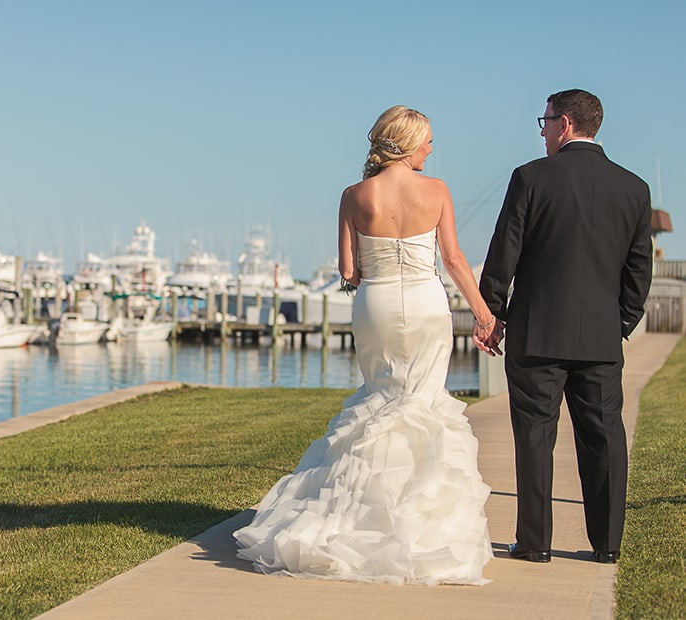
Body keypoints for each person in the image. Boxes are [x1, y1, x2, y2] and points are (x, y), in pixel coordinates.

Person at [233, 106, 497, 585]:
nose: (432, 149)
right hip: (423, 302)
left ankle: (355, 518)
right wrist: (482, 314)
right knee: (421, 405)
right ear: (408, 143)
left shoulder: (354, 195)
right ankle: (416, 527)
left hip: (373, 306)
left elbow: (349, 272)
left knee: (381, 402)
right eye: (428, 141)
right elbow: (454, 259)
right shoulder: (436, 191)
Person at [477, 89, 653, 564]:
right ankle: (608, 544)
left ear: (566, 124)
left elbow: (504, 251)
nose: (543, 130)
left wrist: (491, 313)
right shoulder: (634, 188)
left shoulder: (531, 178)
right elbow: (639, 269)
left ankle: (534, 543)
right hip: (600, 338)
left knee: (535, 437)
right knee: (604, 438)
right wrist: (621, 322)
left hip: (536, 335)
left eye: (546, 120)